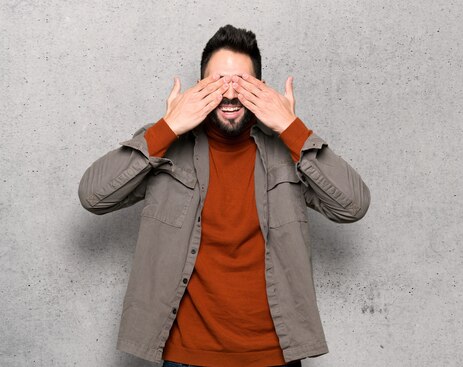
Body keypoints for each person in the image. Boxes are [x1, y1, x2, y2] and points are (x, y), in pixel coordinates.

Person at [78, 24, 370, 367]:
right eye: (217, 82)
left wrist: (292, 128)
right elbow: (93, 196)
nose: (230, 94)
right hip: (184, 357)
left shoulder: (288, 147)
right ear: (198, 87)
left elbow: (353, 205)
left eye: (242, 82)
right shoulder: (166, 141)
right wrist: (168, 126)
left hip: (274, 358)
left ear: (262, 88)